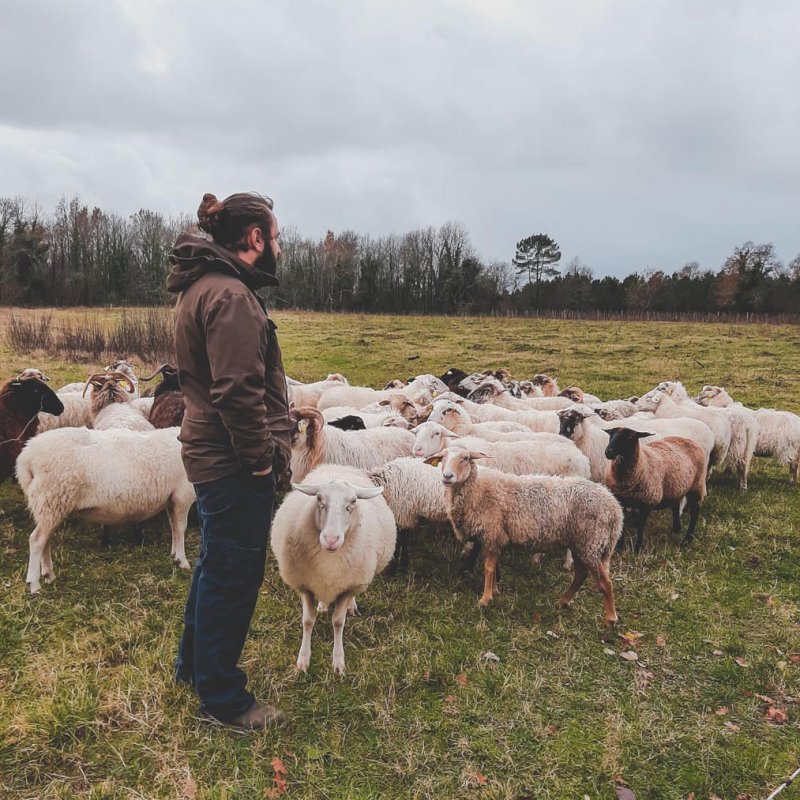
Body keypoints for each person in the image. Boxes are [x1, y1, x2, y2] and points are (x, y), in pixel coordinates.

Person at [167, 191, 293, 729]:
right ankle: (222, 699)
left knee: (215, 561)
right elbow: (238, 392)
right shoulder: (232, 297)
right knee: (235, 571)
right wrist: (262, 462)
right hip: (232, 459)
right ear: (254, 239)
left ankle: (193, 668)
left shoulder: (203, 287)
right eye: (277, 237)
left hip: (210, 450)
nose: (281, 248)